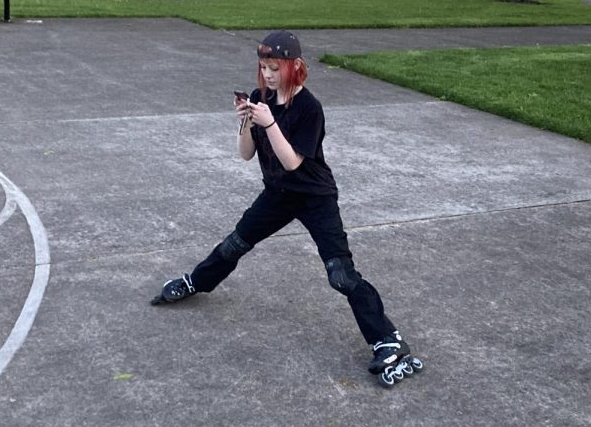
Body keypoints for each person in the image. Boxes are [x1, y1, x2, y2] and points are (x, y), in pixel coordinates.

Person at [151, 31, 422, 387]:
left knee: (340, 273)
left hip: (314, 196)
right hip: (277, 194)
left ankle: (387, 340)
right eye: (263, 68)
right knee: (235, 244)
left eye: (274, 68)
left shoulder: (310, 108)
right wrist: (247, 120)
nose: (267, 76)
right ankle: (196, 282)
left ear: (294, 67)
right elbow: (246, 154)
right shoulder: (260, 100)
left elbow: (293, 161)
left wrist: (269, 122)